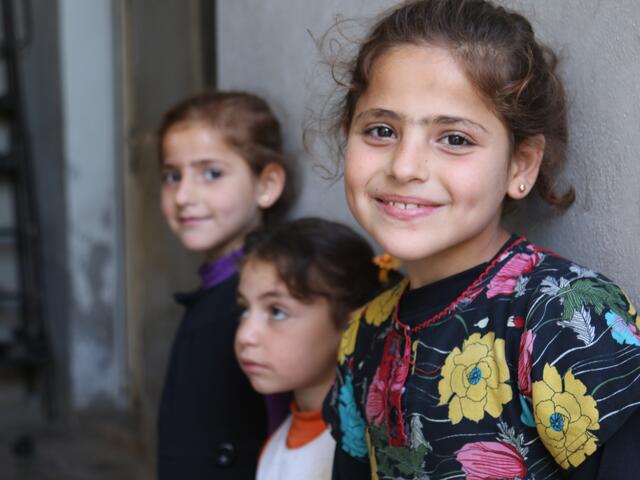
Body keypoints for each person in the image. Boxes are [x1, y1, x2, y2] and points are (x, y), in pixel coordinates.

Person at [321, 1, 640, 479]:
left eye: (455, 139)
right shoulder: (363, 335)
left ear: (520, 166)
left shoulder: (564, 316)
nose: (405, 167)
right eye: (381, 130)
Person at [156, 90, 295, 479]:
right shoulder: (214, 291)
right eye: (171, 176)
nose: (183, 196)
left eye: (211, 173)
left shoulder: (266, 301)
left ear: (266, 184)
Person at [234, 218, 401, 480]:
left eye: (276, 312)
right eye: (244, 309)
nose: (245, 336)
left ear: (352, 321)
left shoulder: (369, 452)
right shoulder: (274, 448)